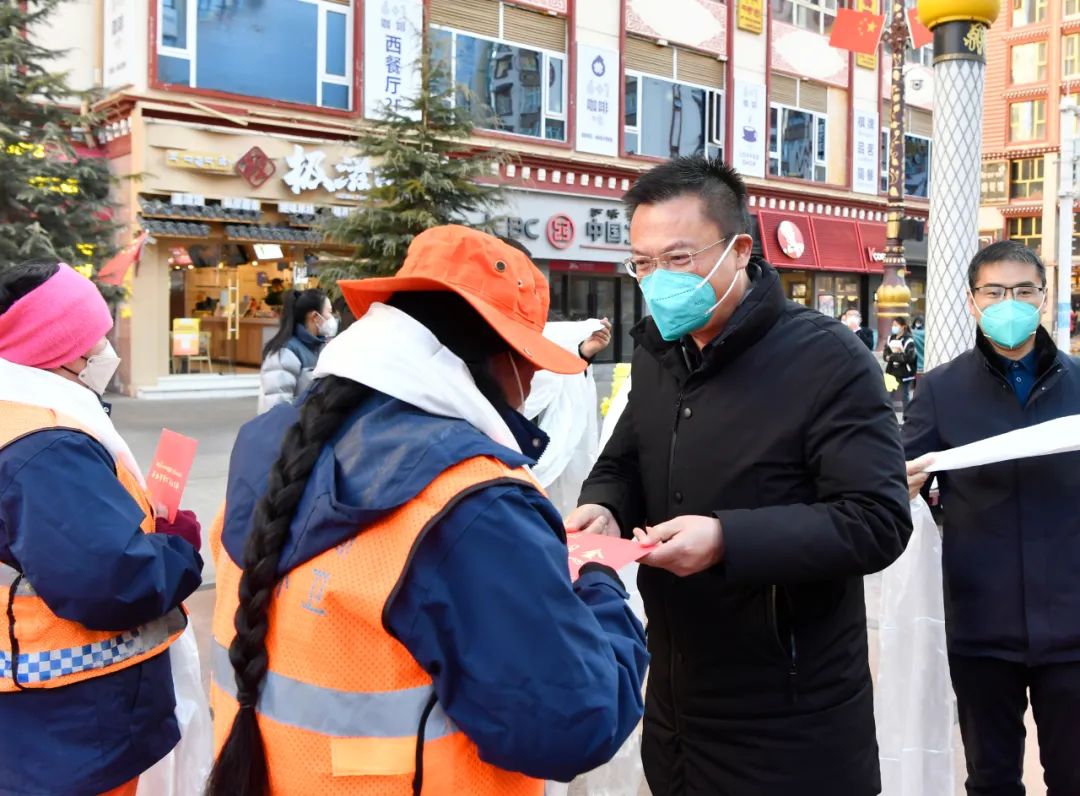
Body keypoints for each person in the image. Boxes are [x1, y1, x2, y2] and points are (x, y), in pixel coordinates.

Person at [205, 226, 648, 796]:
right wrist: (602, 581)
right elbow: (574, 723)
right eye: (528, 358)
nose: (534, 377)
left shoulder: (270, 440)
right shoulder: (470, 504)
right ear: (493, 356)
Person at [566, 156, 911, 796]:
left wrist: (728, 539)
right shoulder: (656, 353)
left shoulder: (828, 360)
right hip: (676, 706)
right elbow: (624, 458)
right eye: (642, 264)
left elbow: (877, 520)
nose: (658, 281)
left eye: (678, 259)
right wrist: (605, 507)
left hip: (791, 718)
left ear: (739, 249)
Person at [0, 261, 203, 796]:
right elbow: (110, 581)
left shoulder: (17, 417)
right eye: (98, 338)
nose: (106, 351)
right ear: (65, 350)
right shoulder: (47, 445)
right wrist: (178, 546)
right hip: (70, 727)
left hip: (36, 719)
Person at [904, 241, 1080, 796]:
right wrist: (898, 482)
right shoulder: (940, 389)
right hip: (981, 623)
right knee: (991, 778)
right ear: (972, 302)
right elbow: (901, 480)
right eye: (996, 292)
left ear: (1044, 299)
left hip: (1073, 622)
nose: (1011, 303)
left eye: (1024, 291)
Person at [257, 288, 336, 414]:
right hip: (291, 430)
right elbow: (276, 407)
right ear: (315, 316)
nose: (333, 318)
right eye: (330, 312)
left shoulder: (319, 347)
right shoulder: (285, 352)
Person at [883, 316, 917, 411]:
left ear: (903, 326)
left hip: (904, 371)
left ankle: (906, 417)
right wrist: (888, 356)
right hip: (891, 371)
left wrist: (892, 357)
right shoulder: (890, 338)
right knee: (888, 395)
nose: (893, 327)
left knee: (904, 395)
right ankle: (889, 416)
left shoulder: (909, 340)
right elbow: (886, 353)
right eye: (892, 325)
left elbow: (909, 357)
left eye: (895, 325)